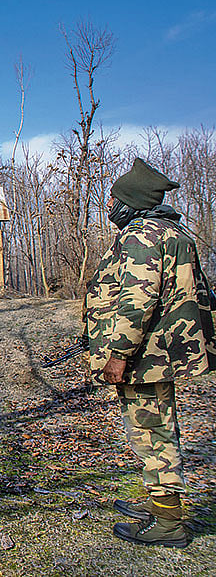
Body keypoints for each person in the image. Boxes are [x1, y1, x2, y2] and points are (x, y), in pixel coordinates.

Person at [85, 158, 214, 548]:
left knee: (152, 432)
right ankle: (157, 502)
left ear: (132, 202)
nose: (109, 206)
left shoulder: (142, 237)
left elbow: (138, 301)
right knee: (155, 428)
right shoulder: (172, 231)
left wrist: (118, 353)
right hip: (162, 350)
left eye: (114, 199)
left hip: (146, 356)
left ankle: (169, 523)